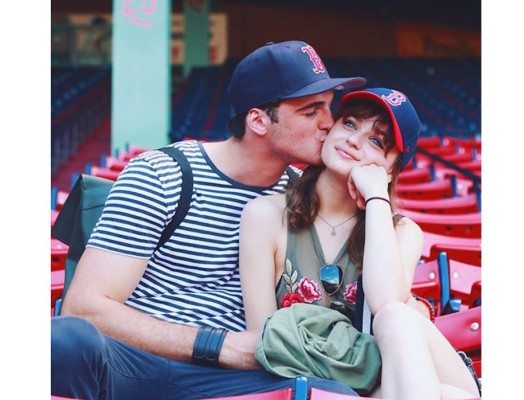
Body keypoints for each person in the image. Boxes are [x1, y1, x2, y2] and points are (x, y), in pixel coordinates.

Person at [51, 40, 368, 400]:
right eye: (311, 111)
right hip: (137, 364)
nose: (330, 123)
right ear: (259, 121)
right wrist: (221, 346)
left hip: (235, 379)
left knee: (333, 393)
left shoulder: (300, 194)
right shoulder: (163, 173)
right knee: (65, 341)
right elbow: (86, 306)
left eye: (329, 107)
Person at [239, 87, 481, 399]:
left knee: (395, 315)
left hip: (413, 374)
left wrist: (377, 196)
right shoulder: (265, 216)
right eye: (350, 124)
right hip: (371, 387)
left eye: (376, 141)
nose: (354, 140)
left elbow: (385, 302)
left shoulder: (403, 231)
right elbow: (264, 343)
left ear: (391, 169)